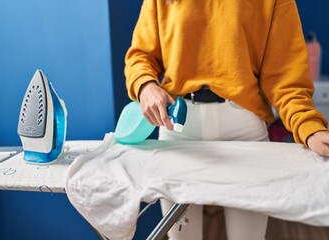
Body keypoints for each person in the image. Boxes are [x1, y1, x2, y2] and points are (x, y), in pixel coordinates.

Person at [124, 0, 329, 239]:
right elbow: (140, 56)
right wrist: (145, 86)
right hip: (178, 132)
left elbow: (286, 77)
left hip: (244, 133)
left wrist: (310, 128)